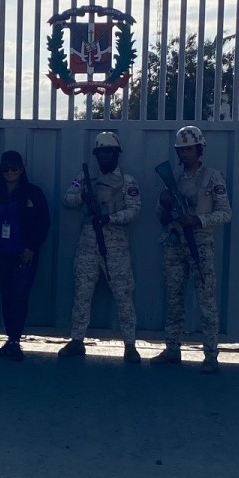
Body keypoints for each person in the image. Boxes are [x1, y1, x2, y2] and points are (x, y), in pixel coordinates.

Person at [151, 125, 232, 372]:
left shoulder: (212, 177)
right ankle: (173, 349)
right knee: (174, 300)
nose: (185, 154)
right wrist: (164, 204)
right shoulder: (174, 179)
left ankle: (210, 355)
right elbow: (160, 216)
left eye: (189, 149)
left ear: (199, 149)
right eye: (181, 150)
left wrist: (198, 220)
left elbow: (226, 213)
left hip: (201, 244)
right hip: (176, 243)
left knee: (206, 301)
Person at [60, 131, 142, 363]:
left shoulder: (128, 181)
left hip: (115, 244)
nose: (105, 156)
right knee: (82, 293)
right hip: (88, 242)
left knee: (124, 294)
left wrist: (110, 219)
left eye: (109, 152)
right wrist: (84, 198)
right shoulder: (85, 177)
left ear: (117, 154)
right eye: (101, 152)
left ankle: (130, 344)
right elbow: (67, 198)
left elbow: (135, 210)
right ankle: (77, 341)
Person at [0, 150, 50, 360]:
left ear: (21, 169)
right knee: (6, 295)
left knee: (19, 296)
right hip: (0, 255)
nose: (10, 172)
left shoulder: (34, 193)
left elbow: (43, 223)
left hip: (24, 255)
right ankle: (10, 339)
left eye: (14, 168)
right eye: (6, 168)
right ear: (1, 170)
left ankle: (16, 341)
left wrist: (32, 248)